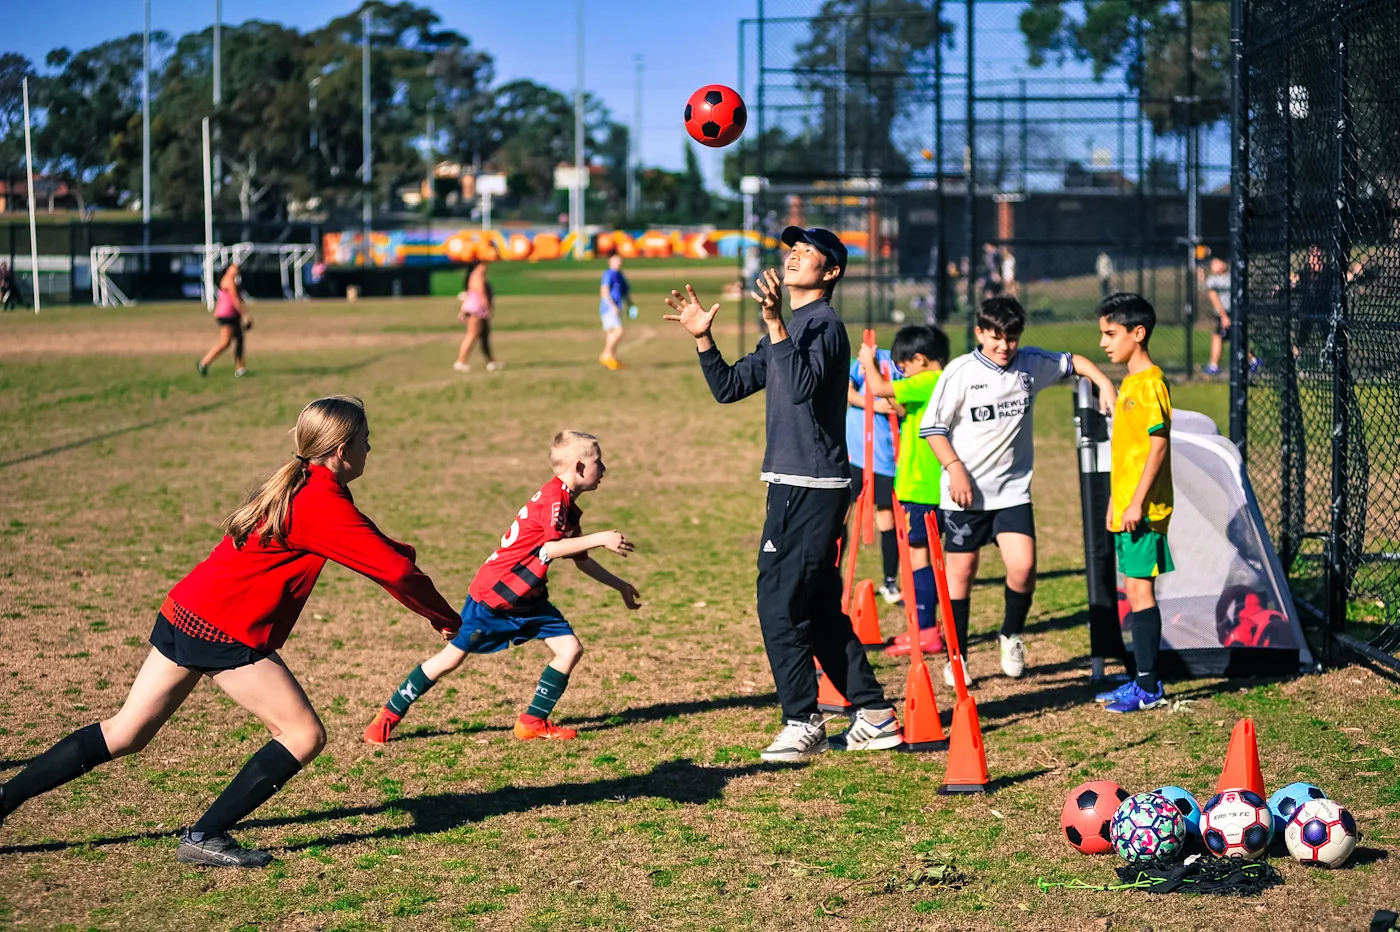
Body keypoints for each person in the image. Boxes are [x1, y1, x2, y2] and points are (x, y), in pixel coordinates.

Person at [0, 396, 462, 867]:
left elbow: (362, 537)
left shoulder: (302, 482)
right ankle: (205, 834)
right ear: (343, 449)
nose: (371, 446)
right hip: (222, 630)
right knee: (303, 734)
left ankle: (3, 800)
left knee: (126, 732)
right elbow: (395, 574)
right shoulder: (320, 501)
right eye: (366, 440)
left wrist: (399, 550)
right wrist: (445, 618)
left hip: (186, 610)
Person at [663, 226, 901, 762]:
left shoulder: (823, 327)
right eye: (791, 247)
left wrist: (773, 324)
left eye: (808, 250)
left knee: (778, 604)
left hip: (811, 485)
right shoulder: (794, 327)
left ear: (831, 271)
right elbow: (729, 387)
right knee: (814, 604)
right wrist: (703, 337)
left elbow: (797, 389)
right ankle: (875, 713)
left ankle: (803, 720)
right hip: (794, 484)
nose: (793, 254)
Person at [363, 431, 639, 743]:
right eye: (598, 462)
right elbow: (549, 548)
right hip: (496, 596)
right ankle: (387, 717)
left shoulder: (566, 507)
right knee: (450, 660)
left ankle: (532, 722)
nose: (603, 469)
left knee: (570, 648)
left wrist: (620, 586)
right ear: (578, 467)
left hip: (529, 597)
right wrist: (601, 537)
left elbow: (579, 558)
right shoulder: (553, 501)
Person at [921, 296, 1116, 681]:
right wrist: (955, 469)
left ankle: (1011, 634)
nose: (1004, 346)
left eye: (1011, 338)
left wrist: (1104, 382)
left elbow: (1074, 361)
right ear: (979, 333)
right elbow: (933, 429)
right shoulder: (959, 372)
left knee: (1024, 568)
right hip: (966, 495)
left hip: (1012, 492)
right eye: (995, 337)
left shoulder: (1030, 365)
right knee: (961, 575)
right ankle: (956, 658)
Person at [1094, 294, 1173, 713]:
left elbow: (1158, 447)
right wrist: (1115, 499)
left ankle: (1148, 687)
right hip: (1127, 508)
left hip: (1143, 511)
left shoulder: (1151, 385)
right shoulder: (1129, 384)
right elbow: (1128, 453)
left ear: (1137, 334)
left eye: (1111, 334)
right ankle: (1142, 679)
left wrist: (1137, 502)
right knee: (1134, 590)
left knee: (1141, 592)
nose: (1104, 342)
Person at [856, 325, 953, 667]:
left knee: (919, 558)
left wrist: (868, 361)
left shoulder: (929, 380)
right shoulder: (941, 383)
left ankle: (925, 630)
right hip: (932, 486)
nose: (903, 374)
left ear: (920, 359)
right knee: (926, 557)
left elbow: (881, 389)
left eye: (905, 367)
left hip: (922, 487)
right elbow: (899, 406)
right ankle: (926, 626)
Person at [844, 343, 904, 604]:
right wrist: (872, 404)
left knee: (887, 518)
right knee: (839, 515)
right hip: (854, 452)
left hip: (887, 458)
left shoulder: (913, 374)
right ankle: (831, 577)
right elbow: (845, 390)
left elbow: (902, 409)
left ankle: (890, 582)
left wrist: (887, 402)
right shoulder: (873, 359)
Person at [199, 264, 251, 377]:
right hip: (227, 315)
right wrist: (244, 315)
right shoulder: (228, 281)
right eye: (233, 267)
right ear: (228, 270)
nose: (236, 270)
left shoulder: (234, 281)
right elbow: (235, 300)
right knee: (225, 342)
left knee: (239, 340)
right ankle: (204, 363)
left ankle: (240, 368)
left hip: (233, 314)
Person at [454, 260, 500, 373]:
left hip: (474, 309)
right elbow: (482, 294)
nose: (486, 267)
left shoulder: (473, 277)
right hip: (476, 310)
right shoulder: (477, 277)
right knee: (472, 335)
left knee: (483, 335)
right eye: (483, 265)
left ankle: (491, 362)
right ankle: (461, 361)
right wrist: (488, 308)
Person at [598, 254, 630, 370]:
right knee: (618, 331)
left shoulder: (620, 275)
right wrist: (612, 307)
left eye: (620, 261)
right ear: (609, 262)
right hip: (608, 309)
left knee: (611, 333)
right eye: (616, 260)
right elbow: (604, 292)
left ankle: (612, 358)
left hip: (617, 308)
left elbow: (625, 292)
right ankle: (606, 355)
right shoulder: (608, 274)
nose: (619, 263)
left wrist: (630, 304)